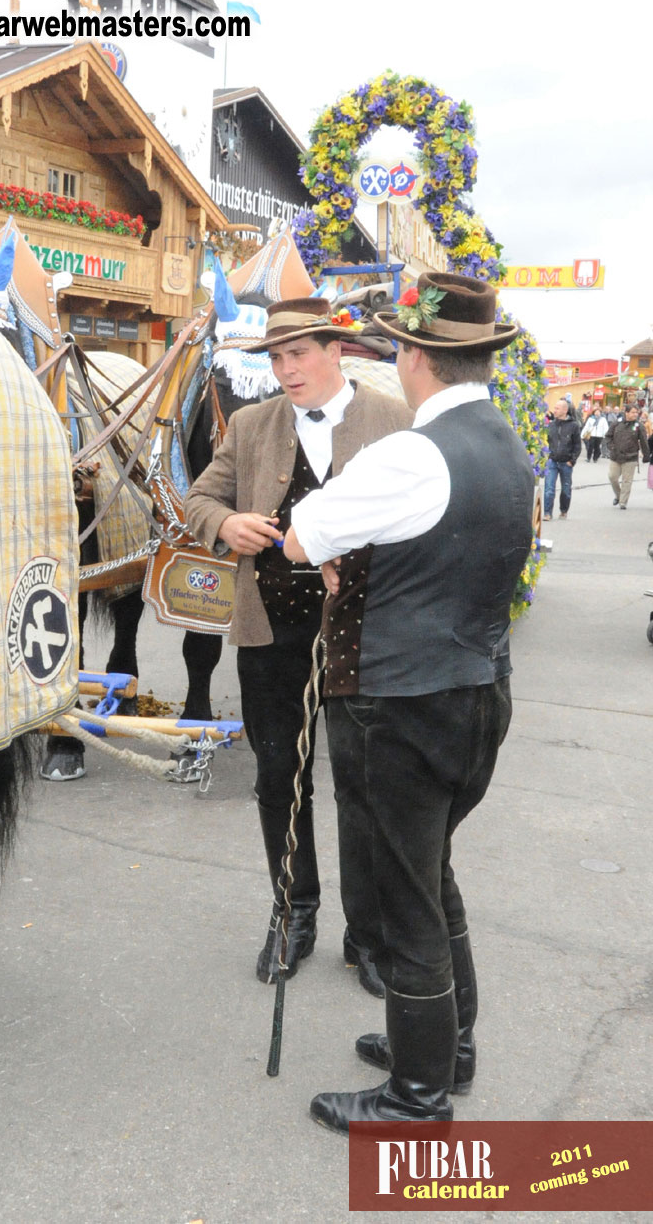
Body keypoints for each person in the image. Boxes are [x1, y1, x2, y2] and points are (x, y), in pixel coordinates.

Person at [283, 271, 534, 1128]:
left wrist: (318, 531)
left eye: (400, 348)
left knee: (405, 893)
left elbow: (304, 533)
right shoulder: (506, 441)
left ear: (416, 356)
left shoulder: (411, 452)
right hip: (479, 693)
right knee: (432, 872)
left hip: (407, 705)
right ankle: (447, 1045)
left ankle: (418, 1096)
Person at [184, 297, 412, 994]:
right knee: (279, 777)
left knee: (361, 787)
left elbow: (421, 514)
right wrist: (226, 524)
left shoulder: (392, 421)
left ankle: (367, 934)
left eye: (299, 354)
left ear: (335, 350)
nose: (286, 370)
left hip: (362, 637)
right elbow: (196, 499)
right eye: (276, 357)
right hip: (269, 634)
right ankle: (293, 911)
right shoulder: (253, 425)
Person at [606, 404, 650, 509]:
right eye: (633, 412)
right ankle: (618, 495)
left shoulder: (639, 426)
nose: (635, 414)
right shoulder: (616, 424)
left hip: (631, 457)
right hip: (616, 456)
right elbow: (608, 437)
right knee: (612, 477)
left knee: (627, 480)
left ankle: (623, 502)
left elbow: (644, 441)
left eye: (636, 412)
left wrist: (646, 455)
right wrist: (612, 448)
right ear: (627, 412)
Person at [544, 399, 581, 519]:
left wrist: (572, 460)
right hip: (552, 461)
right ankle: (547, 513)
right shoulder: (551, 424)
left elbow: (577, 445)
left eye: (557, 408)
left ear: (565, 410)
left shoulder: (573, 426)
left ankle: (563, 510)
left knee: (565, 489)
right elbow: (546, 442)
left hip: (566, 462)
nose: (554, 410)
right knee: (549, 488)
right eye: (554, 408)